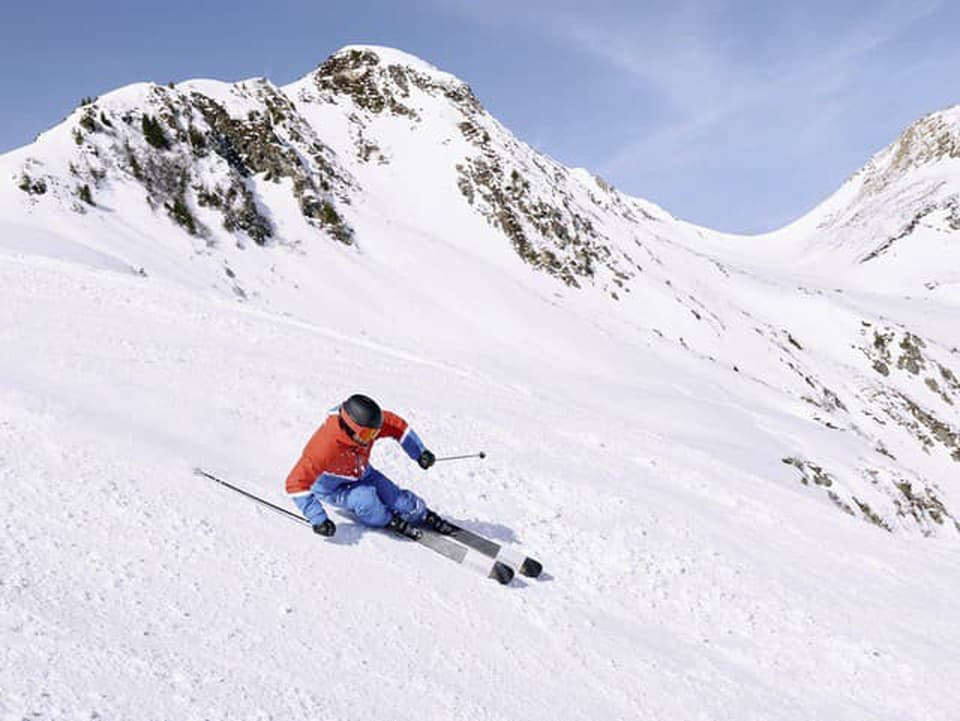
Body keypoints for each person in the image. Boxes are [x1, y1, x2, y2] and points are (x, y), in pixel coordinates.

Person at [285, 394, 436, 538]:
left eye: (374, 434)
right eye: (366, 435)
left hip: (363, 473)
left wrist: (420, 453)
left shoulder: (367, 427)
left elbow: (398, 427)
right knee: (366, 499)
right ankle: (387, 519)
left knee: (399, 499)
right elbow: (295, 483)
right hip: (333, 489)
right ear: (350, 428)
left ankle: (421, 512)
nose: (370, 439)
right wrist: (318, 519)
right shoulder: (324, 447)